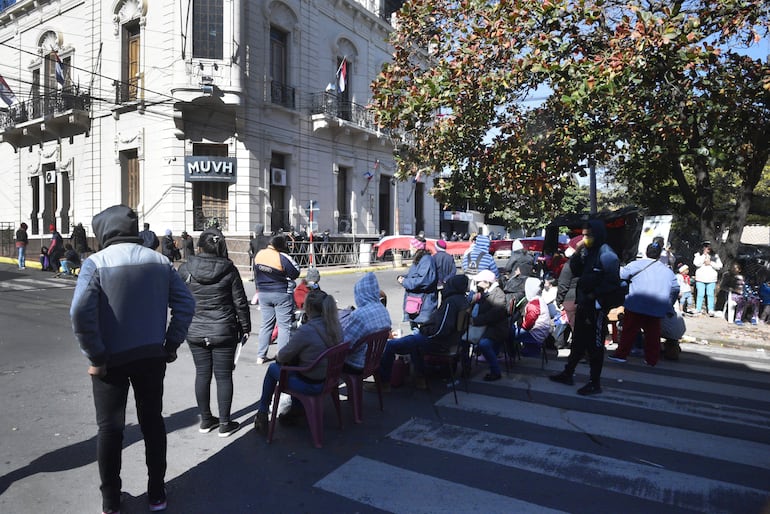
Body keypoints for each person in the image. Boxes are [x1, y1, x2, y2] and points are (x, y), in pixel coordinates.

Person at [70, 204, 195, 514]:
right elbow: (186, 306)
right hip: (152, 356)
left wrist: (96, 354)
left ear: (102, 233)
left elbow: (80, 313)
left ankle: (111, 501)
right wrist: (171, 342)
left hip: (109, 360)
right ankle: (156, 495)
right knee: (153, 423)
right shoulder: (161, 261)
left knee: (110, 430)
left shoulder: (95, 264)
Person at [177, 228, 251, 438]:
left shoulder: (186, 268)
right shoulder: (229, 269)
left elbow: (179, 300)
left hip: (195, 329)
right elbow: (239, 302)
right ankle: (225, 423)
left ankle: (206, 419)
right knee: (223, 376)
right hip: (223, 330)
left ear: (200, 245)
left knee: (202, 374)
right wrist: (245, 327)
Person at [253, 288, 342, 435]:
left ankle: (263, 412)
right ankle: (296, 409)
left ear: (309, 308)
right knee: (298, 367)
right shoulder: (335, 326)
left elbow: (283, 356)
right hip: (330, 379)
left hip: (311, 383)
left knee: (274, 369)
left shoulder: (307, 331)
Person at [550, 220, 621, 396]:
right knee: (578, 342)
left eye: (588, 235)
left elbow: (613, 282)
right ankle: (568, 373)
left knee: (595, 346)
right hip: (583, 304)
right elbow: (573, 268)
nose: (585, 238)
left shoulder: (606, 255)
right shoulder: (589, 252)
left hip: (596, 307)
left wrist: (594, 295)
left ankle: (594, 382)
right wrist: (579, 248)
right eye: (584, 235)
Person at [369, 275, 470, 392]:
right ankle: (420, 379)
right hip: (450, 341)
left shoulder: (451, 302)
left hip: (438, 342)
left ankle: (383, 383)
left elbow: (442, 329)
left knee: (391, 346)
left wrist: (426, 333)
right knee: (415, 344)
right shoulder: (463, 300)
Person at [608, 242, 679, 366]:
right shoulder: (667, 271)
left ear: (646, 252)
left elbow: (621, 275)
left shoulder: (636, 265)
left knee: (629, 331)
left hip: (636, 304)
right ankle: (651, 359)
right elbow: (675, 288)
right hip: (656, 306)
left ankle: (621, 355)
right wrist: (668, 304)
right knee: (653, 334)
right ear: (658, 255)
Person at [254, 234, 301, 363]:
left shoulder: (259, 255)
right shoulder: (282, 257)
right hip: (281, 293)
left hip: (263, 293)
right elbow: (295, 272)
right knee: (284, 326)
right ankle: (282, 357)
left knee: (266, 325)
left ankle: (260, 356)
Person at [341, 272, 392, 373]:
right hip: (376, 358)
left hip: (358, 363)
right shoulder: (383, 309)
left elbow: (346, 343)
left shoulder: (359, 315)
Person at [470, 270, 510, 381]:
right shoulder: (485, 293)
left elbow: (493, 315)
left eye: (478, 281)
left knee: (484, 344)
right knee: (464, 340)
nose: (477, 284)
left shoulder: (498, 295)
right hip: (487, 326)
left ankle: (495, 371)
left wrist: (475, 321)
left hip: (497, 328)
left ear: (487, 282)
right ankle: (466, 368)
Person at [398, 236, 438, 329]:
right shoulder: (419, 259)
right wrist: (403, 278)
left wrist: (405, 281)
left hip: (423, 306)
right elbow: (414, 275)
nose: (410, 248)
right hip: (415, 305)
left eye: (411, 245)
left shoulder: (427, 260)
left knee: (421, 336)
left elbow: (423, 281)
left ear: (416, 247)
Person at [511, 279, 554, 357]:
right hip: (541, 332)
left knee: (509, 333)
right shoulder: (539, 300)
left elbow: (528, 323)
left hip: (535, 334)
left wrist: (521, 327)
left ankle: (511, 355)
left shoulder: (534, 303)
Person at [693, 241, 722, 316]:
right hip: (700, 278)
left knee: (710, 294)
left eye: (708, 247)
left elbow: (719, 266)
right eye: (705, 246)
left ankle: (711, 309)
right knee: (700, 294)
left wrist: (711, 263)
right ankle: (698, 309)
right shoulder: (698, 255)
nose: (707, 248)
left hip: (711, 279)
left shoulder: (715, 256)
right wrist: (703, 256)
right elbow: (696, 263)